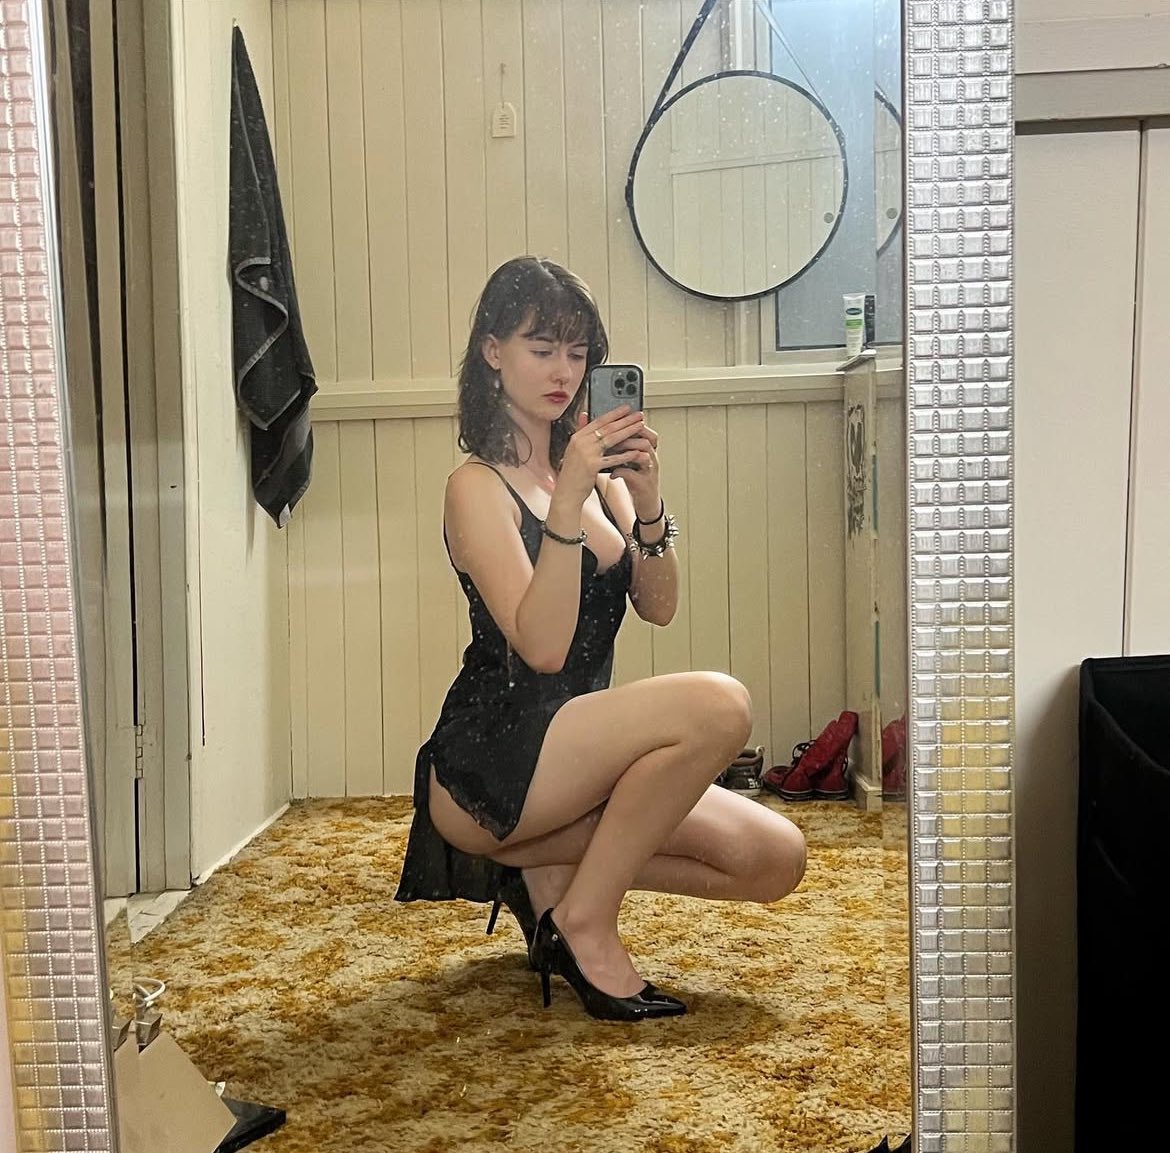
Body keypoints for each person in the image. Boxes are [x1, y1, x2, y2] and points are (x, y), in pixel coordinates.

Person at [394, 257, 807, 1021]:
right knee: (721, 705)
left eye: (577, 352)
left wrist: (647, 503)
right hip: (493, 762)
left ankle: (546, 881)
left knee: (776, 858)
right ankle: (585, 920)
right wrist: (568, 502)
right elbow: (543, 648)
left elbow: (659, 606)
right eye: (541, 347)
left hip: (578, 751)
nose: (563, 371)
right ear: (492, 351)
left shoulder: (602, 479)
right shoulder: (476, 487)